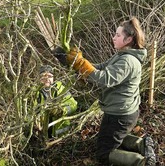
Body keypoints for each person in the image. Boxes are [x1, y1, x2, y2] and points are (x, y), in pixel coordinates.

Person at [59, 17, 156, 165]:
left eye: (118, 35)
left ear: (128, 39)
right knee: (110, 138)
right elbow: (101, 67)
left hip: (120, 115)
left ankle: (141, 162)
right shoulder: (123, 54)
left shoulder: (127, 61)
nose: (113, 37)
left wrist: (82, 64)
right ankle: (141, 144)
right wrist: (77, 64)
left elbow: (105, 79)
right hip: (121, 111)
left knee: (104, 154)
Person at [34, 65, 78, 139]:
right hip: (39, 135)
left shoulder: (61, 89)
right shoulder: (33, 92)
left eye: (49, 76)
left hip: (61, 137)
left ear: (53, 78)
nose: (47, 78)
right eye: (43, 76)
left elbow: (73, 105)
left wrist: (62, 110)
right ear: (38, 78)